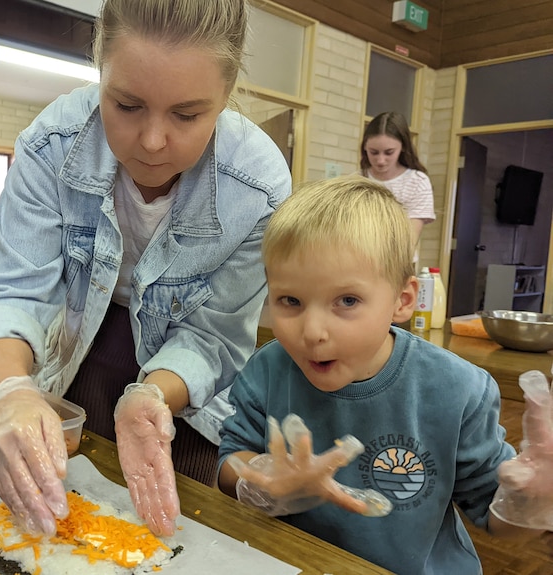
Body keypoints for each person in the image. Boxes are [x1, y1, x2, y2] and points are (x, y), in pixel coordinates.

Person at [0, 0, 291, 539]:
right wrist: (9, 394)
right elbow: (11, 292)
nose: (153, 141)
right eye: (126, 104)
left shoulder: (256, 188)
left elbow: (213, 338)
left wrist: (151, 395)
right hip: (74, 360)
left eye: (187, 115)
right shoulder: (53, 144)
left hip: (183, 400)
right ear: (99, 72)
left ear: (226, 99)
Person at [217, 176, 552, 575]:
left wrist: (532, 500)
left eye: (347, 300)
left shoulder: (458, 390)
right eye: (290, 300)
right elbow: (229, 460)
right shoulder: (268, 369)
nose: (312, 332)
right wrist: (263, 482)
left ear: (402, 300)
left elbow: (493, 516)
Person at [360, 111, 434, 254]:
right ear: (364, 148)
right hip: (358, 262)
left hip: (396, 264)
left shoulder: (417, 181)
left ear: (403, 147)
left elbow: (409, 242)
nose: (380, 160)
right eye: (374, 152)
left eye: (389, 152)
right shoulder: (356, 180)